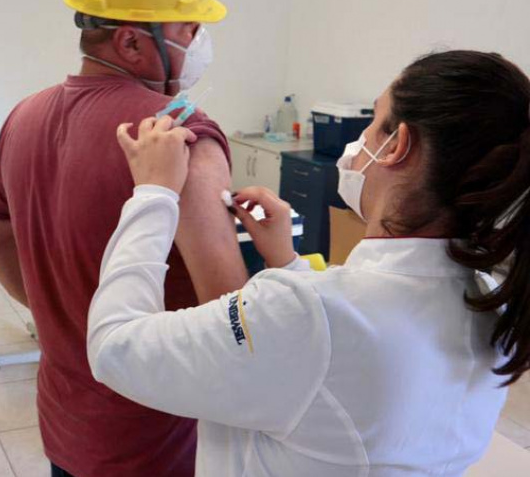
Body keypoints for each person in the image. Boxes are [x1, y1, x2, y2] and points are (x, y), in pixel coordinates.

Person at [87, 50, 530, 476]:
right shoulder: (493, 301)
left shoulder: (308, 314)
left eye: (373, 123)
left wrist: (153, 193)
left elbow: (114, 348)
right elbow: (336, 378)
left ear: (397, 146)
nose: (358, 143)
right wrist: (286, 261)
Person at [0, 0, 248, 475]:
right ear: (130, 39)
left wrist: (62, 315)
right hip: (159, 440)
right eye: (189, 27)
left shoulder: (24, 116)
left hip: (66, 427)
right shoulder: (178, 135)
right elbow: (232, 317)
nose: (198, 42)